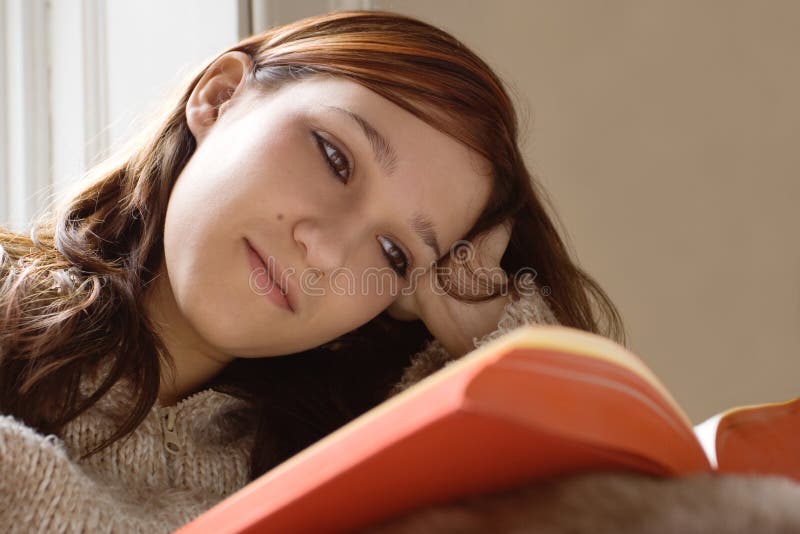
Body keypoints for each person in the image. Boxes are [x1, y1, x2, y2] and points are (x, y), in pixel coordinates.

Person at [0, 10, 624, 532]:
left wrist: (494, 332)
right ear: (220, 96)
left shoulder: (337, 490)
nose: (327, 251)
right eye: (335, 158)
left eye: (394, 252)